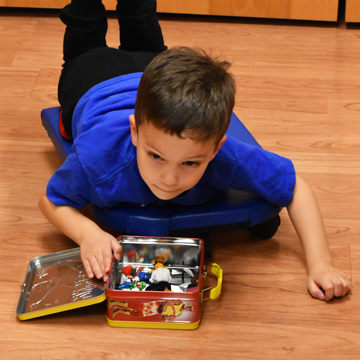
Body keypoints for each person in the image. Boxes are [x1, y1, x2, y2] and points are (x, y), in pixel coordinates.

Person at [38, 0, 350, 302]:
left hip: (149, 67)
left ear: (216, 149)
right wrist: (86, 233)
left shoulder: (225, 156)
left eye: (190, 162)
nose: (169, 178)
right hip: (93, 77)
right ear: (134, 132)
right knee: (86, 26)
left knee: (140, 18)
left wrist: (321, 264)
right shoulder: (99, 159)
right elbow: (51, 201)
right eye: (155, 156)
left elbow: (295, 187)